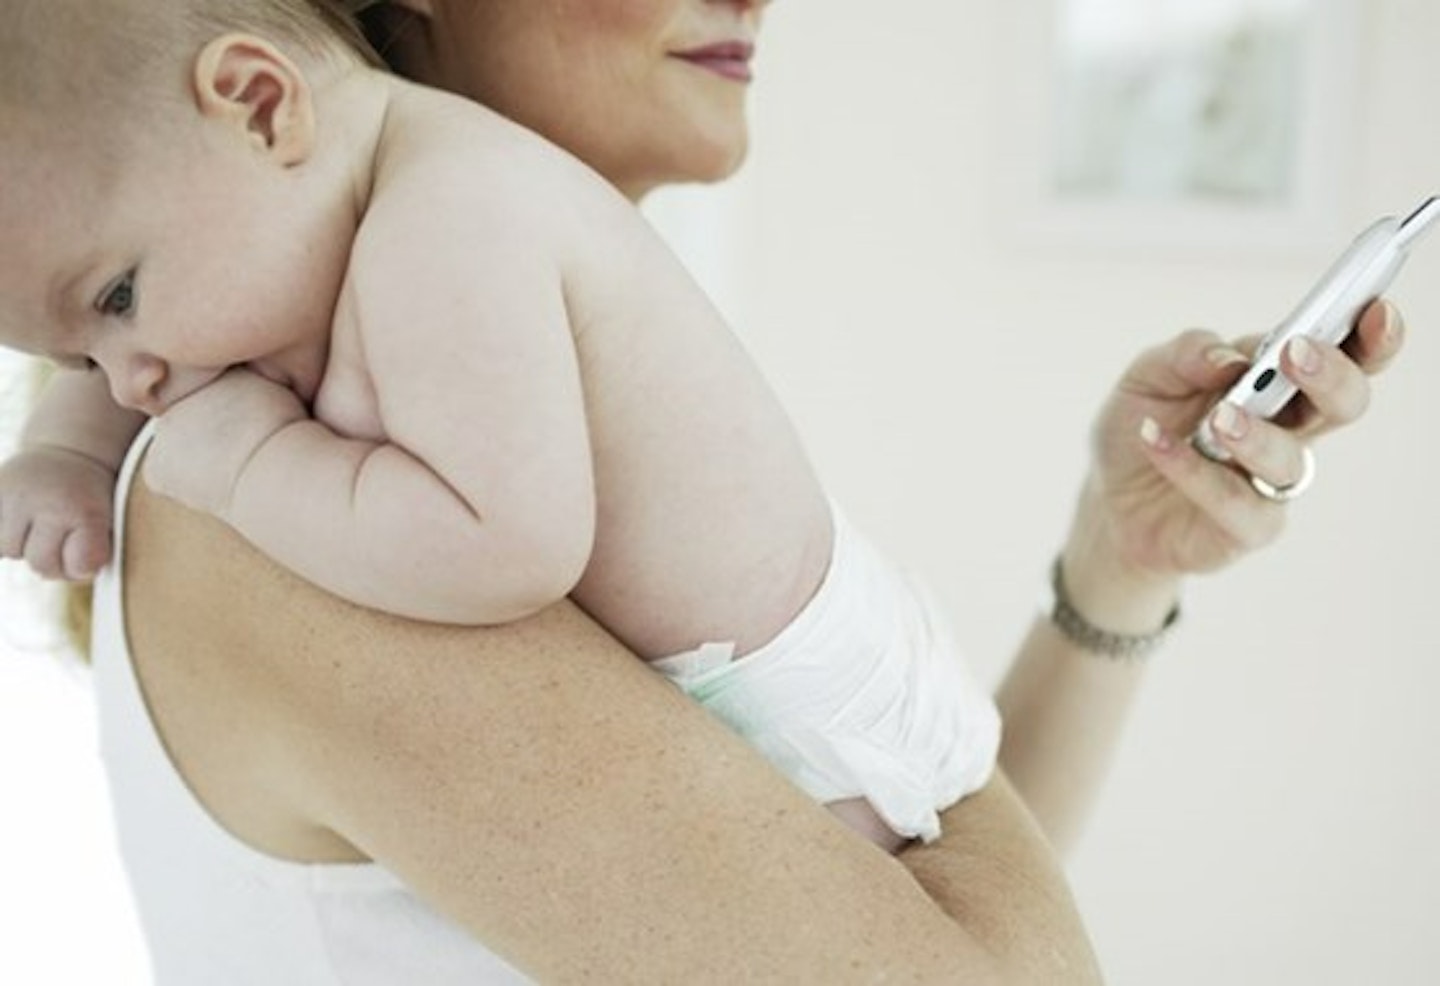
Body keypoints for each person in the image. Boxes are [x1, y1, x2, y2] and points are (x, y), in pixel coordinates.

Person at [0, 0, 1405, 981]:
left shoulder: (471, 398)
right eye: (95, 338)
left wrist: (1118, 563)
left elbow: (879, 858)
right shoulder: (298, 505)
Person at [0, 0, 1003, 855]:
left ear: (262, 107)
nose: (133, 388)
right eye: (82, 354)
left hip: (818, 739)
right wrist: (65, 449)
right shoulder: (291, 209)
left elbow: (507, 543)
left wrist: (257, 464)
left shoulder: (450, 214)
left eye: (120, 300)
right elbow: (132, 283)